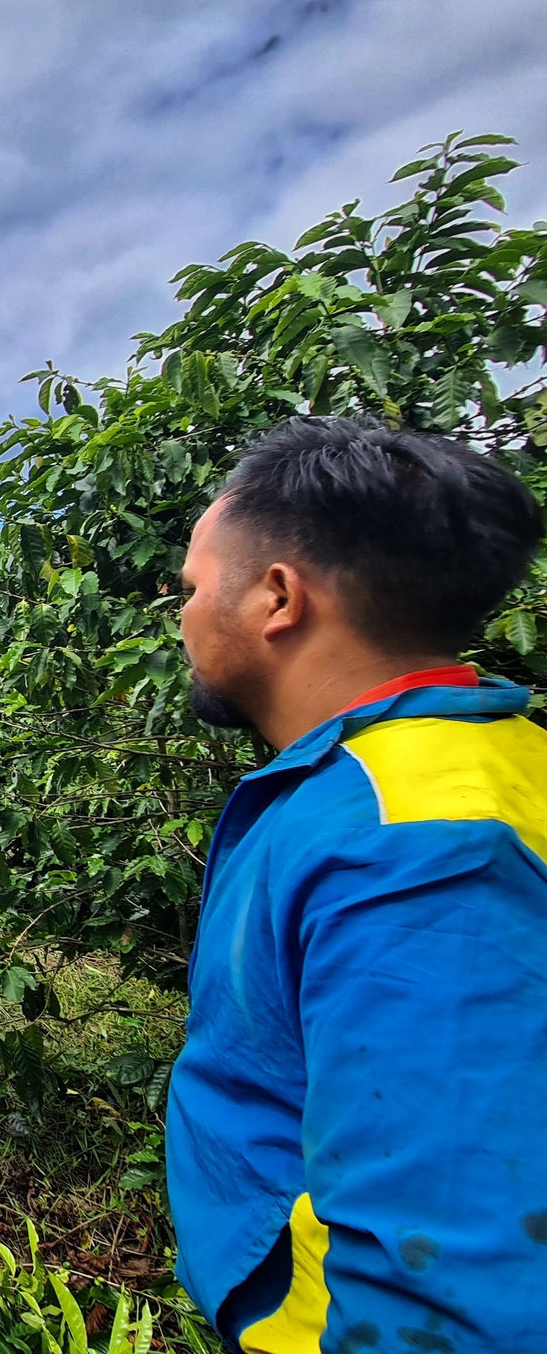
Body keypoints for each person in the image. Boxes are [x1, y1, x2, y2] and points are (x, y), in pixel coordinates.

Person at [167, 417, 547, 1352]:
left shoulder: (415, 842)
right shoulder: (476, 764)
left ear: (276, 597)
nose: (182, 616)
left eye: (192, 588)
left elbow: (449, 1280)